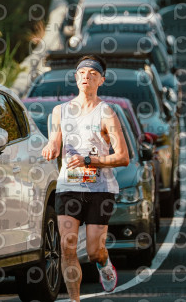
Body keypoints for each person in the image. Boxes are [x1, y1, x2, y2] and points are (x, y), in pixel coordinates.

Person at [42, 54, 129, 301]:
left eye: (92, 74)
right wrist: (50, 147)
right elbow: (54, 141)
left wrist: (89, 160)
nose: (86, 77)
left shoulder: (106, 113)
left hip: (100, 189)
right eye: (82, 73)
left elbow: (123, 157)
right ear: (75, 77)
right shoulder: (60, 112)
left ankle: (104, 263)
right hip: (68, 186)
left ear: (101, 80)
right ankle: (74, 299)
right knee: (67, 247)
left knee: (93, 251)